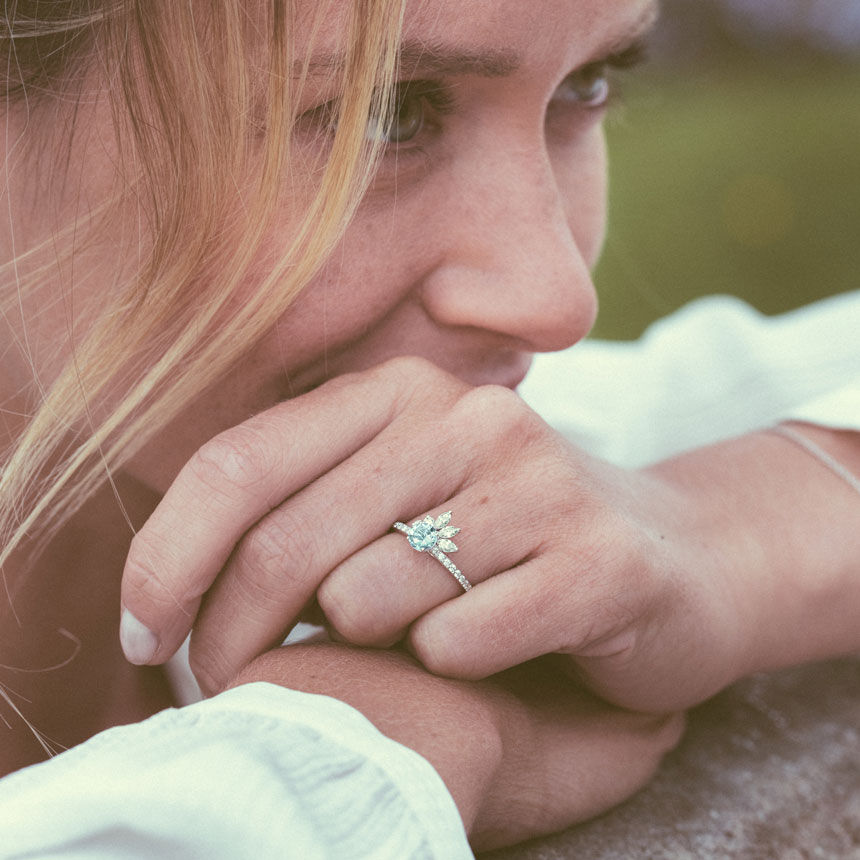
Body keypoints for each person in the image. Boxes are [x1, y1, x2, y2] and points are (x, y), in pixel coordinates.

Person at [1, 0, 858, 856]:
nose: (557, 301)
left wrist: (726, 534)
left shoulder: (444, 479)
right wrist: (351, 752)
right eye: (384, 113)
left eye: (587, 85)